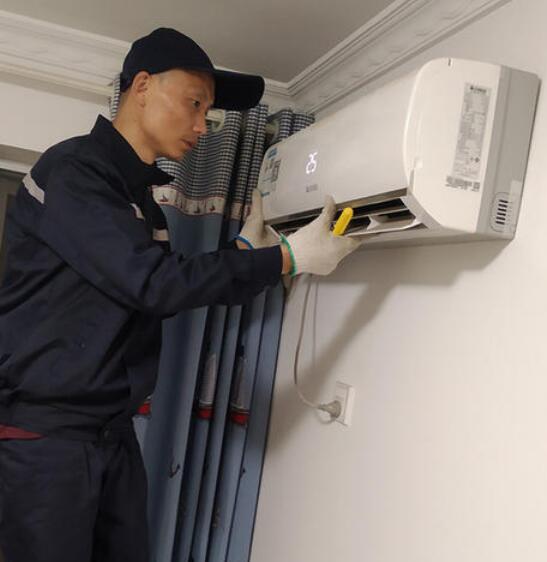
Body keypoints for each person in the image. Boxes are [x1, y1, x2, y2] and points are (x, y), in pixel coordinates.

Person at [0, 27, 359, 562]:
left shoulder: (142, 203)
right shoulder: (74, 170)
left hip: (110, 434)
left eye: (208, 114)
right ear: (142, 85)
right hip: (47, 438)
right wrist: (285, 259)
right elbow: (154, 284)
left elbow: (166, 281)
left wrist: (244, 250)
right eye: (194, 104)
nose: (201, 126)